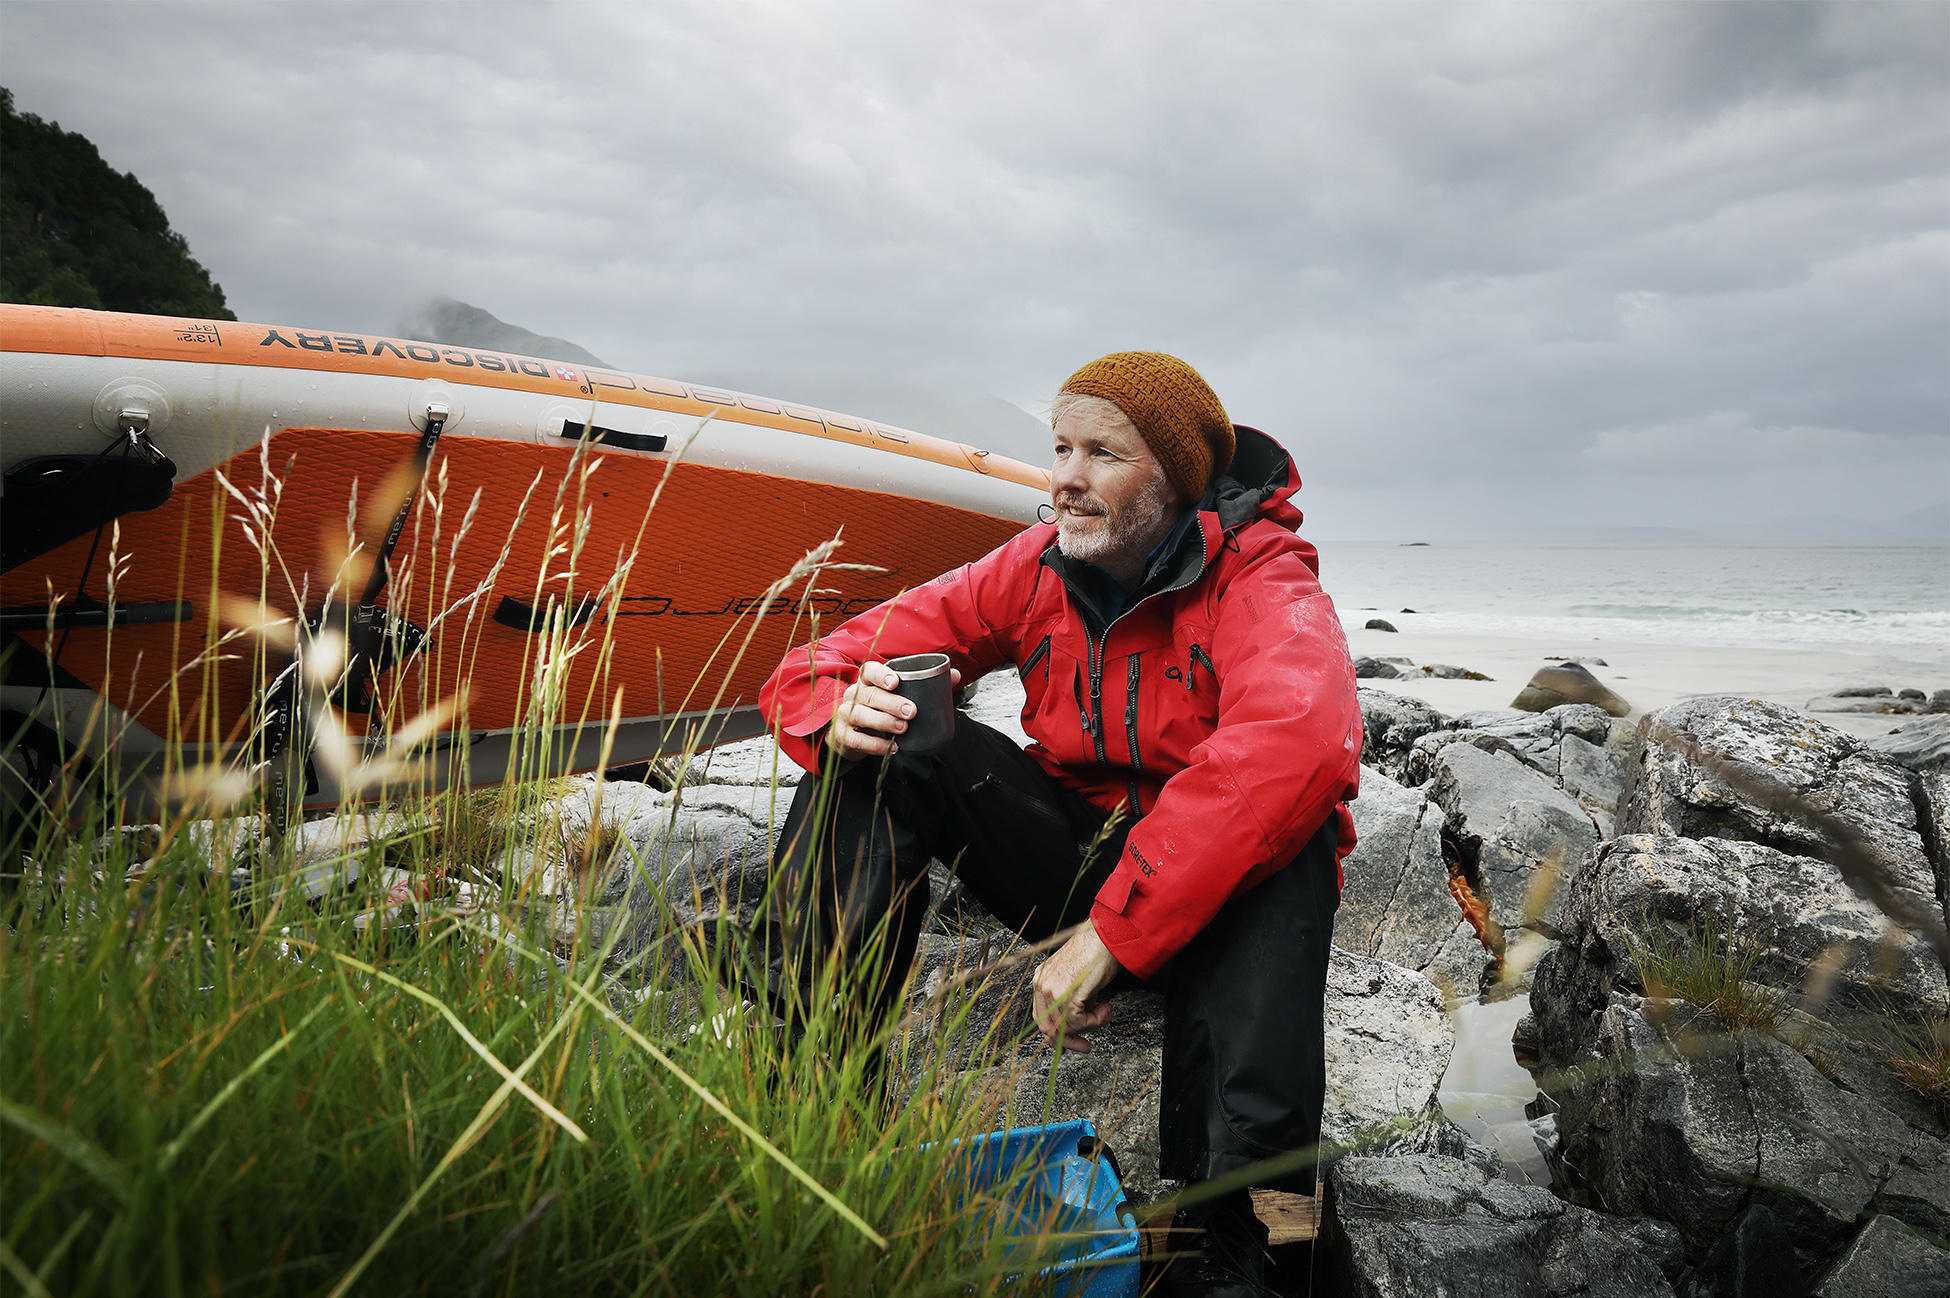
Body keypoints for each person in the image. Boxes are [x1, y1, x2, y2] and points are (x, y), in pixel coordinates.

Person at [757, 351, 1361, 1298]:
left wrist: (1115, 934)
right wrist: (832, 704)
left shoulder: (1263, 580)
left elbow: (1301, 744)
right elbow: (831, 658)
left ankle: (1257, 1246)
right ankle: (813, 1126)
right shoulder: (1035, 565)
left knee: (1299, 835)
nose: (1067, 478)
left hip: (1219, 902)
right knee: (887, 738)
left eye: (1104, 454)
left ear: (1175, 477)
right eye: (1060, 448)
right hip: (1072, 860)